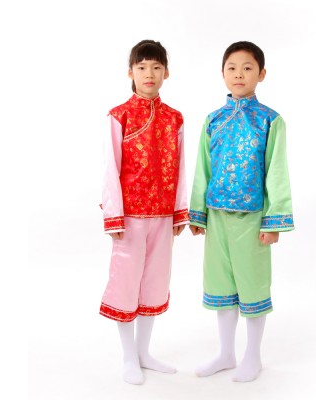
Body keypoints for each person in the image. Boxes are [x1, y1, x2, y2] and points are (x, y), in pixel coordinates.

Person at [189, 41, 294, 382]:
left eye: (248, 68)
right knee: (221, 286)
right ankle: (225, 353)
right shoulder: (213, 120)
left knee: (252, 285)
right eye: (232, 68)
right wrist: (197, 213)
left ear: (261, 74)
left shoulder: (270, 121)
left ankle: (253, 356)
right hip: (217, 216)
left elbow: (276, 171)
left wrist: (274, 220)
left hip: (252, 218)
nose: (239, 74)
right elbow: (203, 168)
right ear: (222, 73)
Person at [100, 40, 189, 385]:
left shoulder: (175, 118)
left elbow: (181, 166)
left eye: (156, 67)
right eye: (141, 67)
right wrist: (114, 215)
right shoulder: (118, 115)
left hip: (163, 216)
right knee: (126, 283)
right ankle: (128, 356)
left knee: (154, 282)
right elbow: (111, 168)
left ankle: (144, 352)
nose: (149, 74)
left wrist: (179, 212)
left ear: (166, 72)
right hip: (130, 217)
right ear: (130, 73)